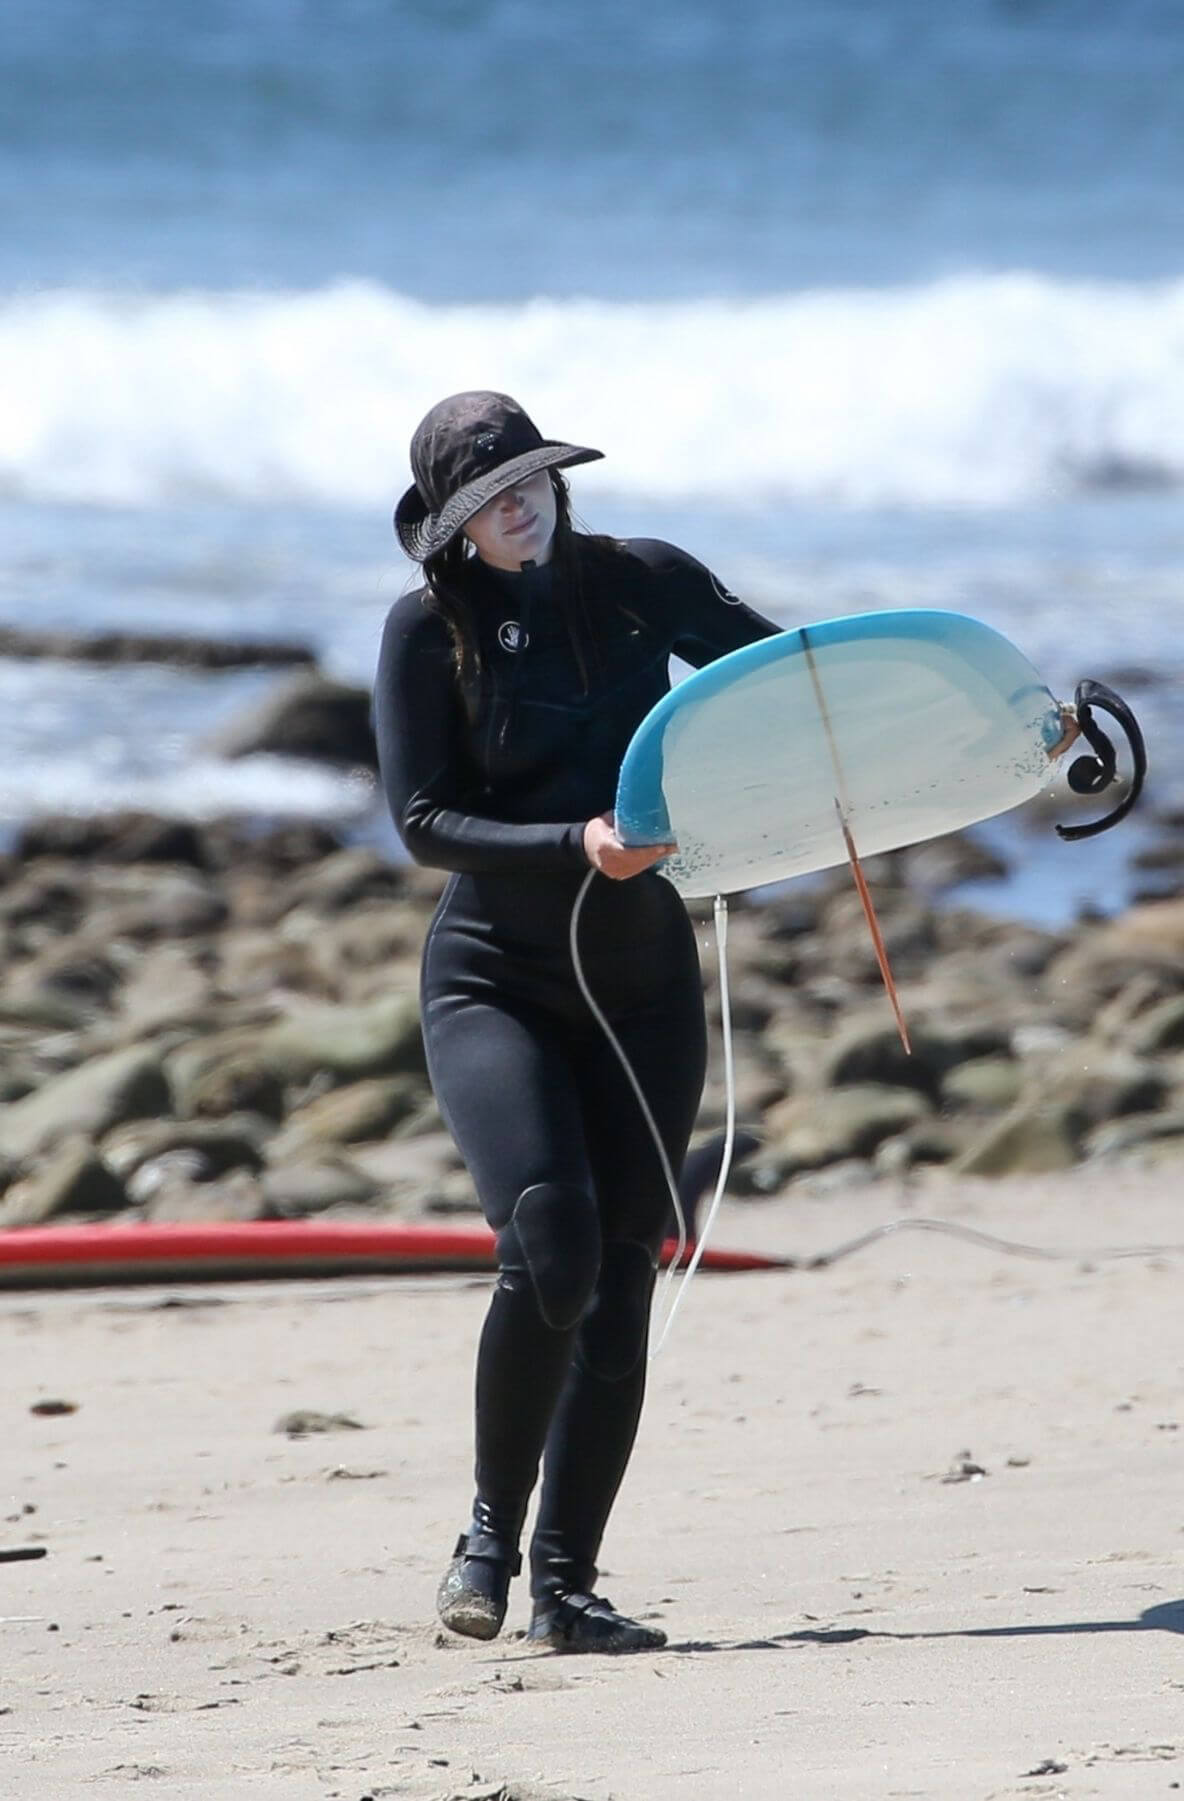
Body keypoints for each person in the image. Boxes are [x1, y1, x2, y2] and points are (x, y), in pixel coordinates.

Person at [373, 390, 779, 1654]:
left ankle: (571, 1584)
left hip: (646, 983)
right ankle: (487, 1538)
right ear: (450, 528)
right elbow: (424, 820)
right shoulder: (422, 632)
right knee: (549, 1244)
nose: (521, 503)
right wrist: (577, 841)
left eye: (533, 479)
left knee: (621, 1279)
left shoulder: (640, 583)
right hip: (496, 976)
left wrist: (996, 731)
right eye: (491, 496)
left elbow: (791, 686)